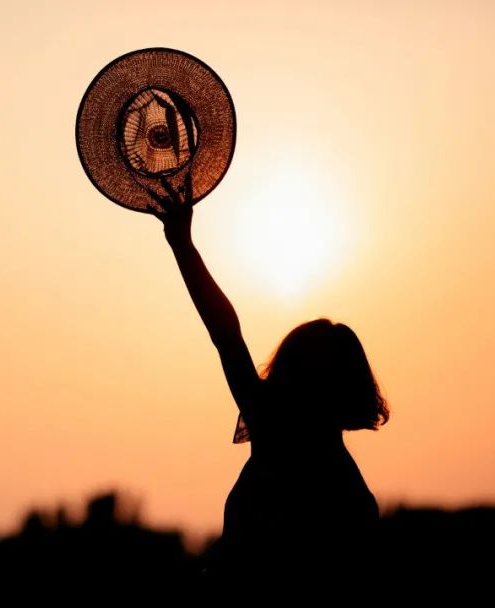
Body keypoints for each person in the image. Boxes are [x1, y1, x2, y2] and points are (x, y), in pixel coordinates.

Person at [150, 176, 389, 594]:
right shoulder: (352, 495)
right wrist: (182, 247)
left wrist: (183, 247)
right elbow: (226, 335)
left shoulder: (273, 429)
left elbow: (227, 336)